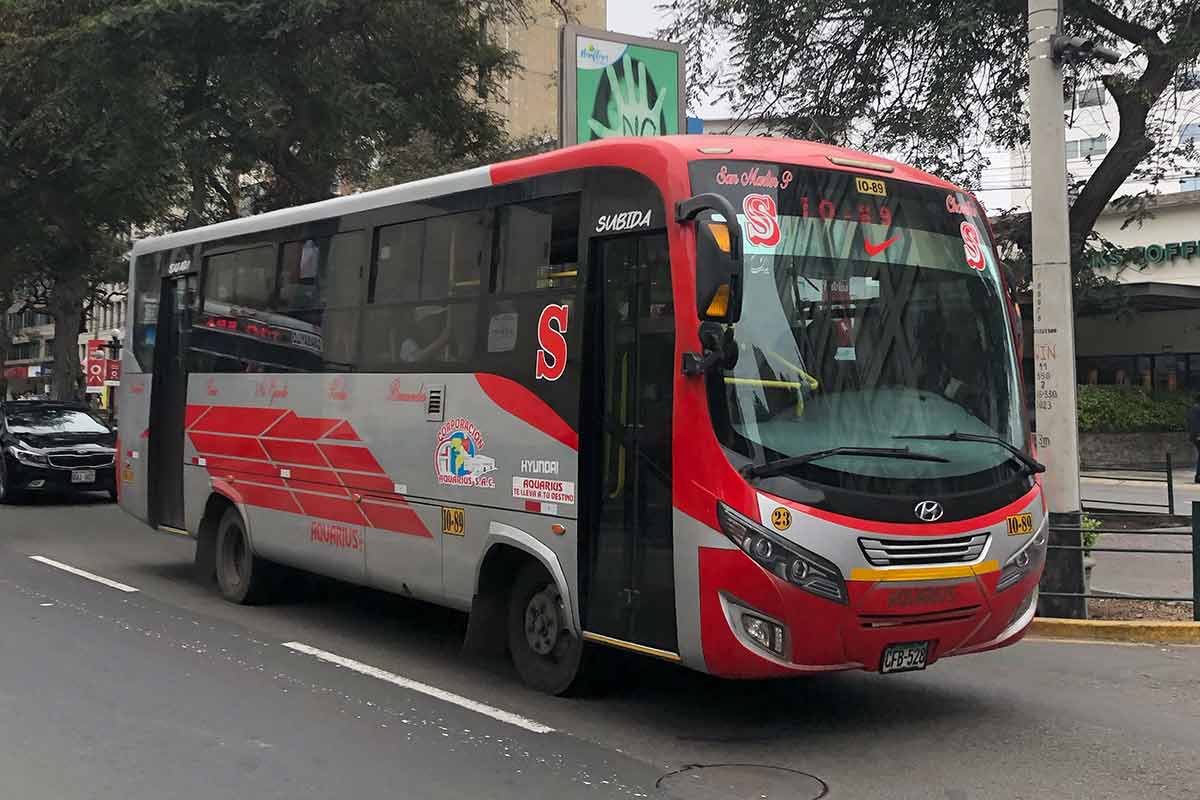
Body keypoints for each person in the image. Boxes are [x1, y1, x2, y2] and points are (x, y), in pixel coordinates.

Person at [1189, 393, 1200, 484]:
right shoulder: (1197, 408)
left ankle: (1198, 476)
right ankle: (1198, 476)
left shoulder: (1195, 408)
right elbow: (1195, 423)